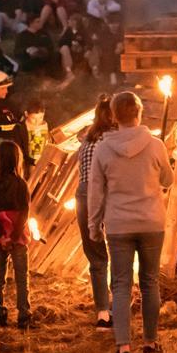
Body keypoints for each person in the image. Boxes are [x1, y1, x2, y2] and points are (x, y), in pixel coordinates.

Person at [88, 91, 174, 353]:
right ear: (139, 113)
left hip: (118, 224)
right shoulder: (156, 145)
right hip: (151, 222)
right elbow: (168, 179)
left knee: (121, 285)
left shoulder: (103, 148)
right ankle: (150, 343)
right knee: (150, 283)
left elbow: (95, 191)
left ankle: (123, 349)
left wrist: (93, 225)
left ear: (114, 116)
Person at [75, 94, 116, 328]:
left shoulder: (87, 140)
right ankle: (117, 307)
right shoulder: (113, 140)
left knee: (96, 255)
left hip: (83, 196)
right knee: (118, 251)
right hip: (107, 194)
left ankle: (102, 312)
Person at [0, 140, 33, 329]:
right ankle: (23, 315)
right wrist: (13, 236)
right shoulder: (21, 184)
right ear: (17, 159)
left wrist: (2, 235)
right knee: (22, 277)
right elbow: (24, 212)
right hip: (18, 235)